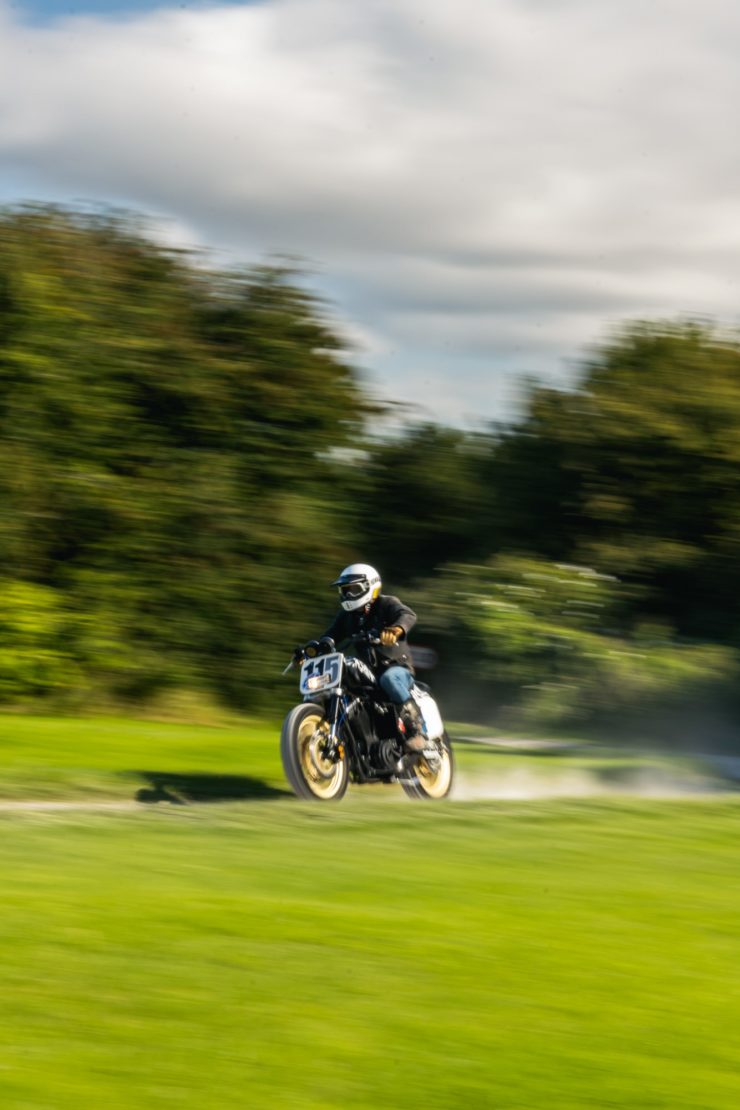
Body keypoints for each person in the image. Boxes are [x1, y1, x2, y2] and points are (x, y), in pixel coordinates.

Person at [297, 563, 427, 753]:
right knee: (346, 681)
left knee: (389, 679)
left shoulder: (387, 603)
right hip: (370, 672)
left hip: (396, 667)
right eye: (345, 590)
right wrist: (313, 650)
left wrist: (396, 629)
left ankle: (416, 730)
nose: (348, 595)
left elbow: (407, 614)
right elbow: (330, 636)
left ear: (370, 586)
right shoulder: (347, 616)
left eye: (353, 589)